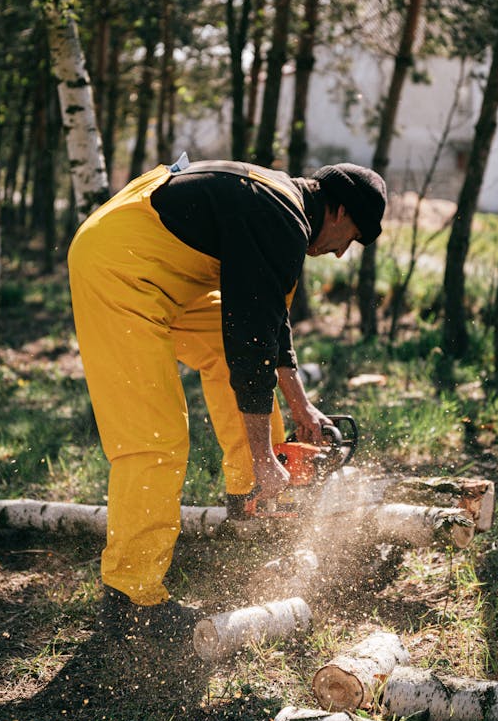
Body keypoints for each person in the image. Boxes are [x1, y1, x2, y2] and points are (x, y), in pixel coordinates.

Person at [67, 157, 386, 650]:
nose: (343, 253)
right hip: (119, 269)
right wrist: (263, 452)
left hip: (157, 263)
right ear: (340, 211)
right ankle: (131, 600)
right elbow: (250, 347)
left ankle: (252, 496)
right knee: (154, 439)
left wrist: (302, 408)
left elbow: (271, 322)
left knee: (222, 346)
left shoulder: (285, 209)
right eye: (354, 237)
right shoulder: (281, 219)